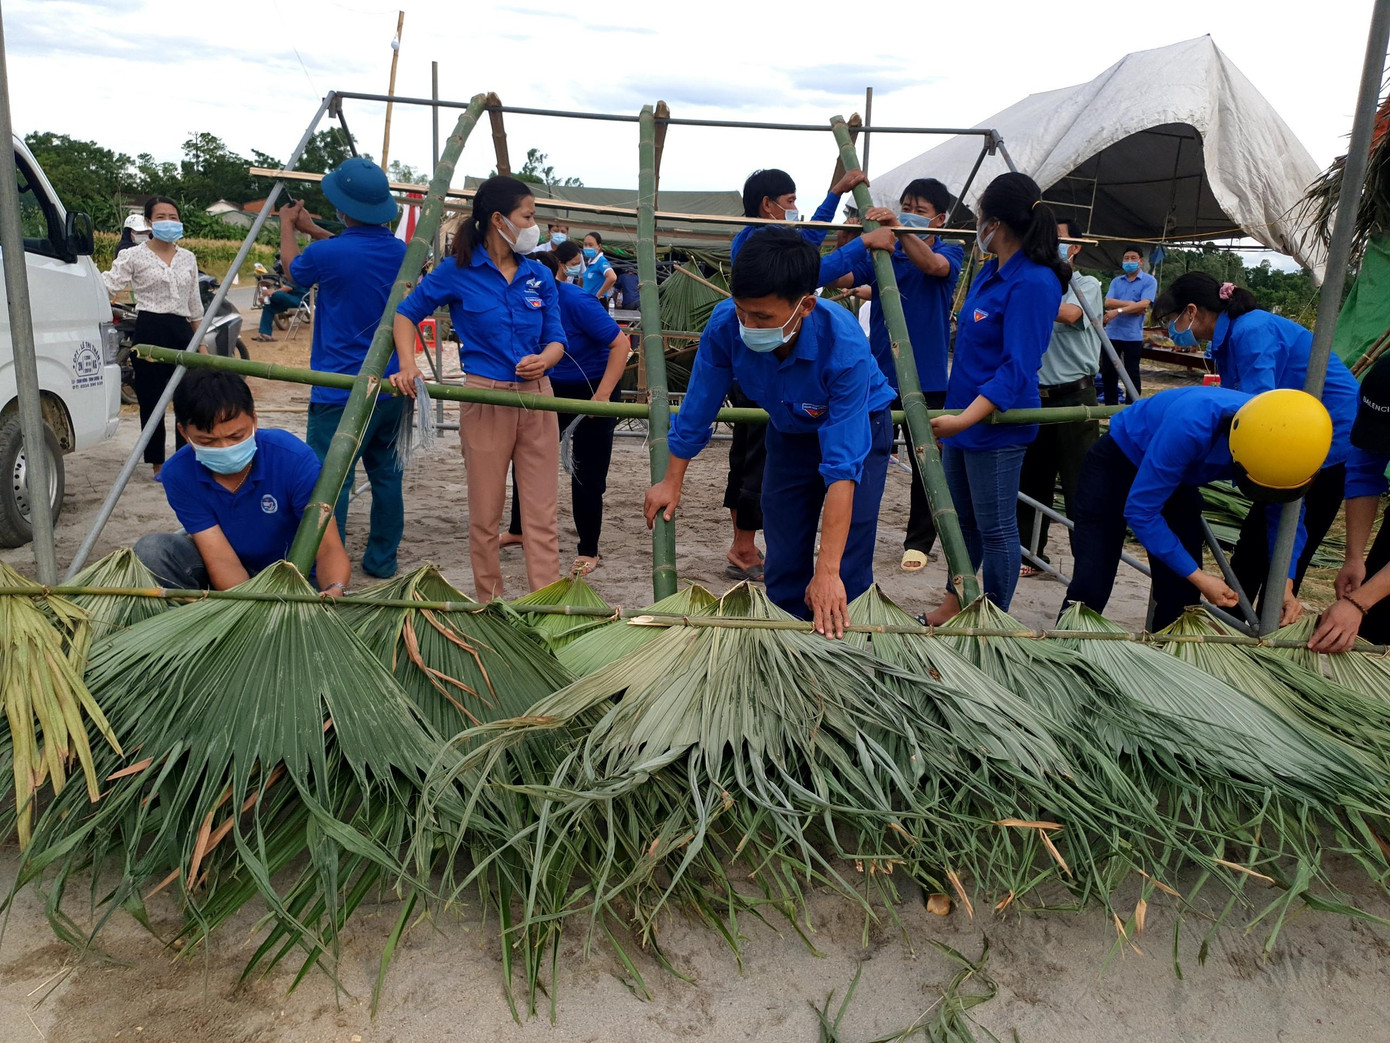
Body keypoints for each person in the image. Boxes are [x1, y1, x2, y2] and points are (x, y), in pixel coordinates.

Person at [645, 227, 895, 638]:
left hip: (860, 427)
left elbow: (843, 466)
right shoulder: (726, 325)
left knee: (847, 556)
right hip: (789, 431)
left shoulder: (843, 345)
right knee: (784, 545)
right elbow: (698, 406)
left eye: (762, 317)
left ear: (806, 306)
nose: (749, 324)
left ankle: (846, 646)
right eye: (743, 310)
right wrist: (671, 481)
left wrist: (827, 571)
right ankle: (785, 642)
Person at [393, 175, 567, 602]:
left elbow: (558, 338)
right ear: (498, 219)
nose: (536, 227)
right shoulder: (456, 271)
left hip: (537, 399)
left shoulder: (539, 276)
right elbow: (406, 314)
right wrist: (408, 364)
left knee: (541, 516)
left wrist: (545, 359)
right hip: (484, 398)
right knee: (485, 516)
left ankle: (547, 606)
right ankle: (490, 605)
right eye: (528, 216)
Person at [1153, 272, 1361, 610]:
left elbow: (1256, 408)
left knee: (1291, 529)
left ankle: (1269, 616)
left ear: (1192, 311)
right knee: (1256, 537)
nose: (1173, 330)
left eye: (1173, 320)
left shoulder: (1252, 330)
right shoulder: (1229, 339)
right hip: (1289, 435)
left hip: (1328, 441)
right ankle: (1239, 614)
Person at [723, 166, 889, 579]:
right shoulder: (756, 243)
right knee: (758, 469)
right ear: (768, 205)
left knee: (834, 501)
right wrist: (862, 244)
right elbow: (808, 270)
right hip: (774, 384)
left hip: (808, 395)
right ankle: (746, 548)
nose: (796, 210)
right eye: (791, 201)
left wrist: (833, 195)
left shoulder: (844, 350)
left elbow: (808, 243)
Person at [923, 173, 1069, 624]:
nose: (977, 223)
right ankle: (955, 603)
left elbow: (1017, 367)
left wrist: (965, 420)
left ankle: (995, 619)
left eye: (980, 214)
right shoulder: (991, 272)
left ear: (997, 222)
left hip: (995, 424)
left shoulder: (1035, 282)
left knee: (998, 528)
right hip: (963, 417)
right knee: (961, 525)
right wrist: (958, 419)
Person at [1063, 387, 1329, 630]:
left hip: (1179, 475)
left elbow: (1285, 516)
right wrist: (1201, 578)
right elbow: (1142, 513)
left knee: (1182, 598)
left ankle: (1165, 668)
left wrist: (1285, 582)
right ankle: (1066, 653)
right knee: (1092, 582)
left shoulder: (1294, 446)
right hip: (1120, 461)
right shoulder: (1193, 425)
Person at [825, 177, 964, 573]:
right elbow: (840, 278)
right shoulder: (885, 256)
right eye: (905, 206)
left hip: (929, 376)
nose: (908, 214)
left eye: (918, 211)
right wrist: (848, 234)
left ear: (938, 220)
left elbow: (933, 266)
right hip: (881, 375)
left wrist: (900, 230)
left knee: (927, 464)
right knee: (867, 454)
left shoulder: (950, 251)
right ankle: (853, 530)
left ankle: (919, 541)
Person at [278, 158, 407, 580]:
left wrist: (287, 226)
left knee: (333, 481)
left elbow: (293, 271)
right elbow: (353, 250)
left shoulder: (326, 254)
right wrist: (314, 231)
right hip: (390, 385)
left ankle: (330, 565)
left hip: (338, 389)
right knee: (387, 478)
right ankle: (382, 561)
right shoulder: (402, 252)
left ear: (342, 207)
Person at [133, 369, 350, 595]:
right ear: (183, 433)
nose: (225, 448)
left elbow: (328, 548)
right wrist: (248, 608)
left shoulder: (292, 459)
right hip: (232, 571)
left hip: (297, 575)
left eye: (236, 437)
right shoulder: (178, 473)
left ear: (254, 420)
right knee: (152, 551)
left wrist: (335, 588)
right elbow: (220, 559)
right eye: (207, 441)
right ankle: (199, 615)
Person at [505, 249, 630, 575]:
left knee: (586, 472)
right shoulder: (518, 301)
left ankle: (588, 549)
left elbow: (622, 345)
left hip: (594, 387)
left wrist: (601, 398)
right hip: (549, 387)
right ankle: (519, 529)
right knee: (527, 459)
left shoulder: (577, 302)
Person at [1016, 218, 1103, 576]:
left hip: (1074, 397)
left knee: (1078, 481)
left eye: (1060, 239)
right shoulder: (1034, 282)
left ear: (1076, 247)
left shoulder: (1087, 286)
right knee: (1032, 478)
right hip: (1036, 396)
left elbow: (1070, 314)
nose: (1052, 245)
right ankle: (1030, 553)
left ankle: (1088, 563)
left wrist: (1027, 300)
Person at [101, 196, 202, 478]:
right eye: (160, 217)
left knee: (187, 400)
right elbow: (108, 285)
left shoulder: (188, 258)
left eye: (173, 216)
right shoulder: (133, 255)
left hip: (182, 332)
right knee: (152, 400)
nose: (168, 221)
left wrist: (201, 345)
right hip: (148, 332)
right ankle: (158, 462)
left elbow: (195, 306)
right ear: (148, 222)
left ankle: (185, 460)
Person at [1311, 355, 1390, 652]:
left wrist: (1359, 602)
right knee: (1375, 622)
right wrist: (1354, 558)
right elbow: (1364, 471)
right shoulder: (1379, 383)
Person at [1099, 246, 1155, 404]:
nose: (1129, 261)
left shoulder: (1149, 281)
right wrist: (1132, 305)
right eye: (1126, 258)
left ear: (1141, 261)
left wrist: (1118, 311)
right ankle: (1110, 408)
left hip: (1132, 336)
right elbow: (1107, 301)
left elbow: (1144, 305)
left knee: (1132, 373)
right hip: (1112, 334)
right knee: (1108, 373)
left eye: (1133, 258)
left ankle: (1133, 406)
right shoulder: (1117, 281)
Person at [252, 269, 309, 343]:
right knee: (268, 306)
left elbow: (288, 288)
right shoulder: (293, 274)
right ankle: (265, 334)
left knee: (277, 294)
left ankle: (267, 297)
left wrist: (271, 293)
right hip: (292, 299)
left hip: (302, 300)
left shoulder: (298, 273)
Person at [581, 233, 617, 300]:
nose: (587, 247)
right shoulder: (590, 262)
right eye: (585, 244)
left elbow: (612, 277)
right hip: (587, 301)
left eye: (591, 245)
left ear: (599, 246)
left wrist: (598, 295)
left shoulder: (601, 261)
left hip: (596, 302)